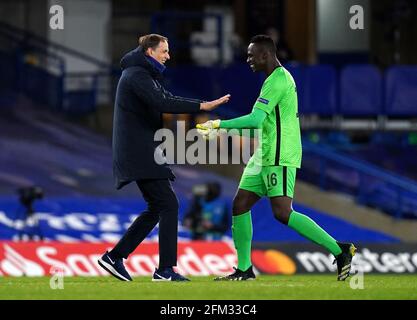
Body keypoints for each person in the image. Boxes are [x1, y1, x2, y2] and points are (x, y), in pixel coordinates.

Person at [196, 35, 356, 281]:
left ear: (265, 55)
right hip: (265, 153)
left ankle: (340, 249)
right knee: (240, 205)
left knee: (282, 212)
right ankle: (244, 269)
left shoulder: (278, 81)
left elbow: (255, 120)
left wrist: (218, 124)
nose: (248, 59)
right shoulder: (274, 79)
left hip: (280, 154)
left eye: (251, 55)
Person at [98, 34, 230, 282]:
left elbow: (163, 99)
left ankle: (115, 257)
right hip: (140, 152)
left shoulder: (141, 74)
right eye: (164, 51)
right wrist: (202, 106)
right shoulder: (137, 75)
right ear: (150, 51)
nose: (168, 56)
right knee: (168, 204)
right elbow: (163, 101)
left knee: (158, 207)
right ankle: (165, 269)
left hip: (141, 150)